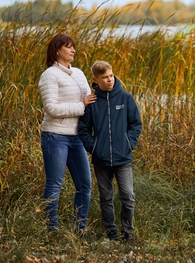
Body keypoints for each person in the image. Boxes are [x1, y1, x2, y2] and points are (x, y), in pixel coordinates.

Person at [78, 61, 142, 242]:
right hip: (101, 160)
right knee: (106, 198)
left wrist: (128, 143)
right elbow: (83, 129)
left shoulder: (125, 98)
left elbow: (136, 124)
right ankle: (111, 234)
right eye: (105, 77)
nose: (110, 80)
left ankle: (128, 234)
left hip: (123, 158)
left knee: (128, 196)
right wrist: (94, 148)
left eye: (111, 76)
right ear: (96, 80)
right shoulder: (92, 103)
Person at [38, 33, 96, 232]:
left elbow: (90, 101)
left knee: (85, 185)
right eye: (68, 47)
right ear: (57, 51)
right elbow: (51, 109)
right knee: (55, 184)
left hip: (77, 137)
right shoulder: (49, 75)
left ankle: (80, 228)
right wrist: (81, 105)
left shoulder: (79, 73)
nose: (73, 50)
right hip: (55, 136)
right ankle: (50, 229)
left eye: (73, 47)